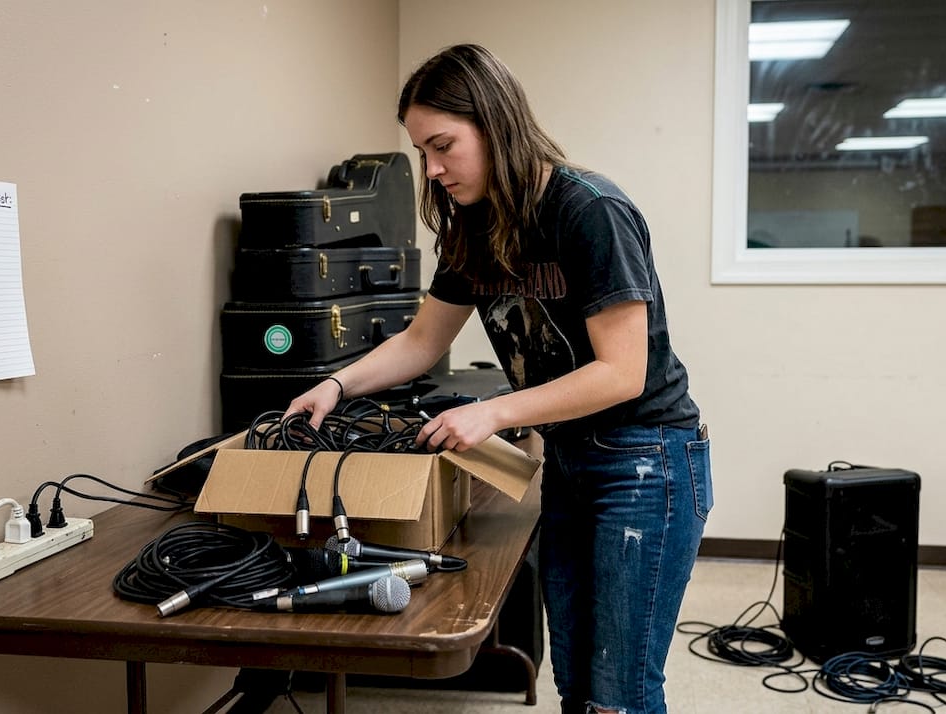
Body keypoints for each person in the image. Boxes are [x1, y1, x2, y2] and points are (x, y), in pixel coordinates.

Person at [284, 43, 712, 714]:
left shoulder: (590, 211)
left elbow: (622, 374)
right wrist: (336, 385)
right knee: (574, 671)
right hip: (571, 458)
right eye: (422, 151)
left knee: (620, 690)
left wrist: (494, 413)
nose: (432, 169)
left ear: (495, 122)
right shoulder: (473, 229)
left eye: (443, 146)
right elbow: (423, 341)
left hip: (646, 461)